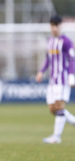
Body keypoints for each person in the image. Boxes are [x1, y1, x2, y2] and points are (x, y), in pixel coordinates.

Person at [35, 15, 75, 144]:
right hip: (53, 80)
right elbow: (48, 59)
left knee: (59, 106)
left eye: (56, 25)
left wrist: (71, 76)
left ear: (60, 26)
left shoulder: (67, 42)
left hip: (63, 80)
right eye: (52, 25)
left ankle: (56, 137)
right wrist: (41, 71)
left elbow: (72, 59)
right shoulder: (50, 41)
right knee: (53, 108)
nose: (54, 28)